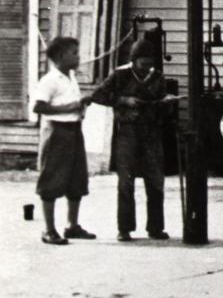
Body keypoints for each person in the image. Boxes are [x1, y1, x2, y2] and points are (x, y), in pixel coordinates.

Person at [90, 39, 174, 241]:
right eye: (143, 64)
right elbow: (98, 95)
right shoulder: (120, 75)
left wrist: (166, 103)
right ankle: (124, 228)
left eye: (150, 64)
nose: (147, 69)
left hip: (151, 133)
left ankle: (155, 228)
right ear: (134, 61)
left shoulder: (158, 77)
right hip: (127, 133)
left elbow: (163, 105)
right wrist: (123, 100)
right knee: (125, 182)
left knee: (155, 181)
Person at [32, 36, 95, 245]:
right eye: (73, 53)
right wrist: (69, 107)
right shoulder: (49, 80)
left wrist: (81, 104)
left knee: (76, 178)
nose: (78, 57)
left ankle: (72, 225)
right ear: (60, 57)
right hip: (57, 132)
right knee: (52, 178)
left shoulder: (71, 77)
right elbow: (38, 107)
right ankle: (49, 230)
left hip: (74, 130)